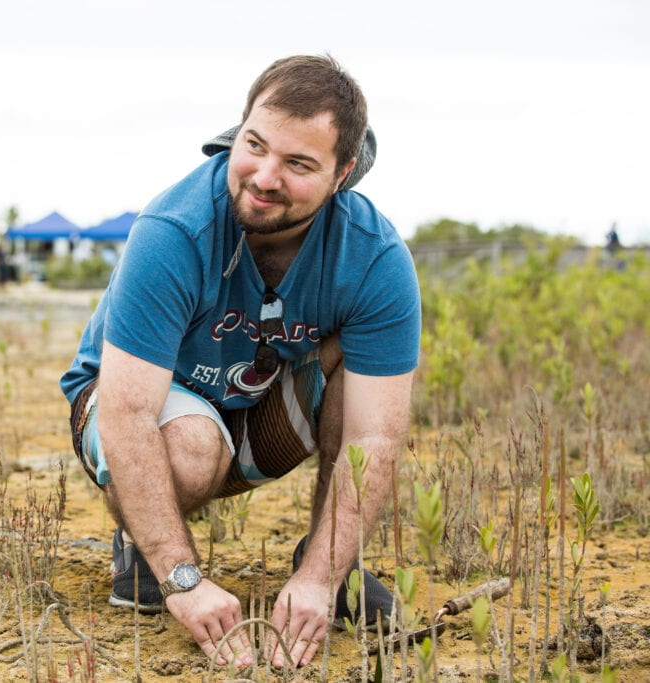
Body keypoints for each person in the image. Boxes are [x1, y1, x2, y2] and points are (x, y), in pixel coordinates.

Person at [61, 55, 420, 668]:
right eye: (254, 145)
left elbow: (375, 436)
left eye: (299, 164)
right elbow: (125, 412)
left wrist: (320, 576)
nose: (263, 176)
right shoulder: (173, 229)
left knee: (351, 366)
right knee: (193, 448)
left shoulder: (375, 256)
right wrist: (183, 580)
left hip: (255, 411)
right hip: (140, 412)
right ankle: (145, 546)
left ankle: (328, 558)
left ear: (344, 173)